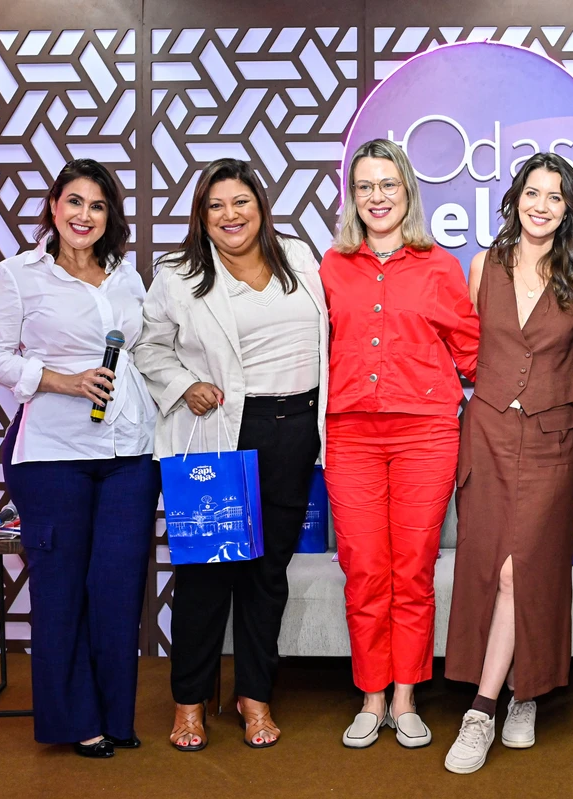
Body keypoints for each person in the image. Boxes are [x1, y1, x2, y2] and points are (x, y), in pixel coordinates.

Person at [134, 158, 328, 752]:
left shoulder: (299, 257)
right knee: (206, 575)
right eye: (215, 206)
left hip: (295, 432)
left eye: (240, 201)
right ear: (201, 216)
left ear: (260, 207)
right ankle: (190, 702)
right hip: (220, 433)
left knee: (267, 576)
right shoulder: (178, 275)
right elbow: (148, 348)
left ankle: (254, 696)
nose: (230, 215)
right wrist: (182, 385)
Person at [0, 159, 160, 758]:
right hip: (52, 454)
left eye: (97, 205)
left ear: (110, 217)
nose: (84, 215)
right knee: (61, 589)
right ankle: (78, 720)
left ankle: (115, 715)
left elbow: (144, 350)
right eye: (74, 201)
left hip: (131, 451)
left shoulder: (127, 276)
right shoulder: (16, 276)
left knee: (118, 588)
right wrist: (63, 380)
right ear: (54, 207)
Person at [320, 138, 478, 749]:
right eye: (365, 186)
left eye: (388, 184)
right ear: (352, 197)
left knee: (412, 569)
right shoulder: (330, 267)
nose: (377, 196)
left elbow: (472, 351)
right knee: (363, 569)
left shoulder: (440, 266)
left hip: (425, 435)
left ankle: (406, 697)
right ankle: (372, 696)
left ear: (407, 191)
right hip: (350, 435)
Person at [442, 153, 573, 774]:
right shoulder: (484, 265)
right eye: (533, 192)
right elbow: (462, 350)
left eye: (555, 197)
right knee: (489, 568)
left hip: (551, 440)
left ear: (568, 210)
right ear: (516, 199)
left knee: (522, 570)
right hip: (487, 437)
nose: (541, 205)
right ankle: (518, 691)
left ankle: (486, 709)